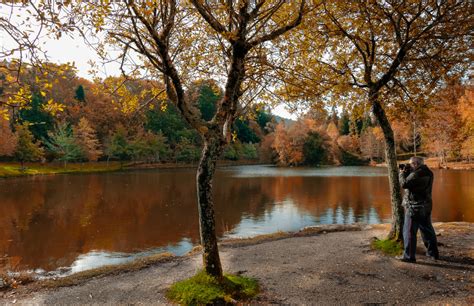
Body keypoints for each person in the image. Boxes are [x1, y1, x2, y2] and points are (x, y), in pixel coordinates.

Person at [398, 156, 439, 263]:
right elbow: (414, 184)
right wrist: (408, 173)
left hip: (413, 207)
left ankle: (409, 257)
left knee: (409, 232)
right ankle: (433, 253)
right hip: (426, 206)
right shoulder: (429, 172)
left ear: (416, 163)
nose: (409, 165)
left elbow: (404, 184)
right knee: (427, 231)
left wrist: (402, 173)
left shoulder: (415, 174)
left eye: (410, 164)